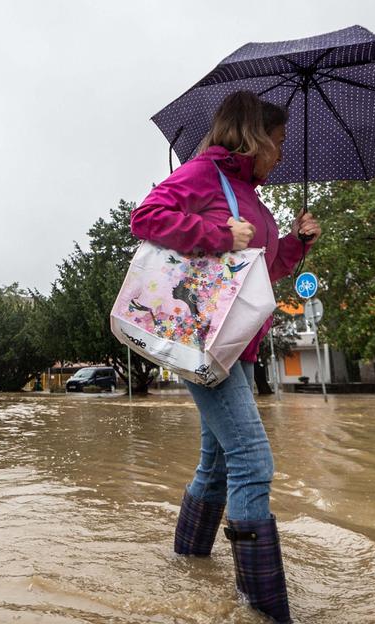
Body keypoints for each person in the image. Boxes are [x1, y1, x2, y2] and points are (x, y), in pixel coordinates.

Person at [130, 91, 320, 623]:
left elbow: (261, 270)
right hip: (202, 341)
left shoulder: (254, 199)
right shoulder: (203, 173)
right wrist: (217, 233)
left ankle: (188, 565)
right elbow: (145, 217)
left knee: (216, 464)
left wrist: (297, 244)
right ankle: (264, 607)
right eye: (277, 143)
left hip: (241, 342)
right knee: (252, 459)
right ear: (253, 136)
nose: (281, 155)